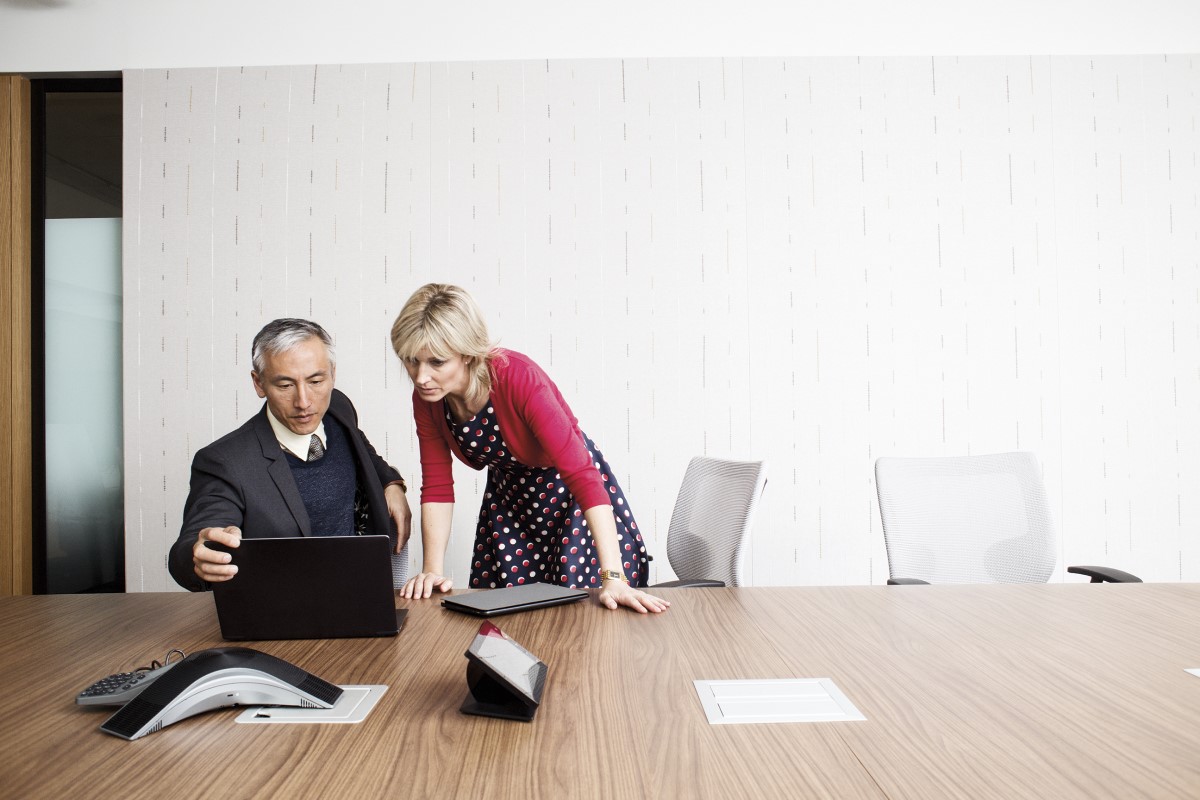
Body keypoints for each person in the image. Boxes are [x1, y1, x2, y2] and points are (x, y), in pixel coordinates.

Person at [390, 283, 669, 614]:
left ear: (466, 353)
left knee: (580, 620)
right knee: (507, 622)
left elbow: (582, 475)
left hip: (569, 499)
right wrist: (433, 570)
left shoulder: (517, 378)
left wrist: (613, 575)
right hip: (511, 503)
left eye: (436, 362)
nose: (421, 377)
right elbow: (437, 485)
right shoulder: (429, 399)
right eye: (411, 361)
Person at [168, 318, 412, 591]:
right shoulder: (224, 462)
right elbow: (194, 540)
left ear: (332, 374)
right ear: (259, 383)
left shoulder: (338, 407)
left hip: (362, 592)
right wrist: (197, 556)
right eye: (285, 386)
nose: (304, 402)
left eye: (316, 380)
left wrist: (391, 482)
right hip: (284, 611)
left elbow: (363, 446)